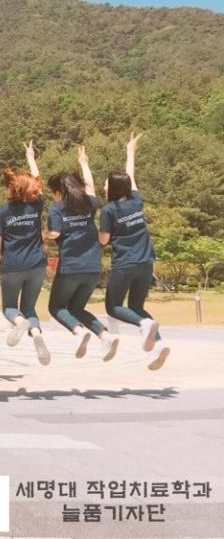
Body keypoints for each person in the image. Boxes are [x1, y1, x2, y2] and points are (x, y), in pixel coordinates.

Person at [99, 133, 169, 370]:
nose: (104, 185)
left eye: (106, 183)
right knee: (137, 306)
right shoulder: (136, 200)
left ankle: (143, 325)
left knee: (113, 307)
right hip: (146, 261)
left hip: (125, 263)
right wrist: (130, 151)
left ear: (113, 188)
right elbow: (132, 176)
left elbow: (104, 240)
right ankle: (158, 346)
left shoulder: (108, 210)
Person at [45, 146, 120, 362]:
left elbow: (55, 233)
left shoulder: (57, 209)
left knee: (56, 307)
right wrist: (84, 163)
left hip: (70, 267)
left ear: (59, 191)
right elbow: (92, 188)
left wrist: (43, 234)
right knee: (77, 308)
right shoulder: (89, 203)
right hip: (93, 268)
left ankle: (79, 332)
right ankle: (105, 336)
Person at [0, 141, 51, 365]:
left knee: (9, 308)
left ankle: (19, 323)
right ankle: (36, 334)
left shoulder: (2, 211)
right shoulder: (36, 205)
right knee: (29, 308)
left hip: (12, 266)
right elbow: (38, 182)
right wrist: (30, 157)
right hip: (36, 265)